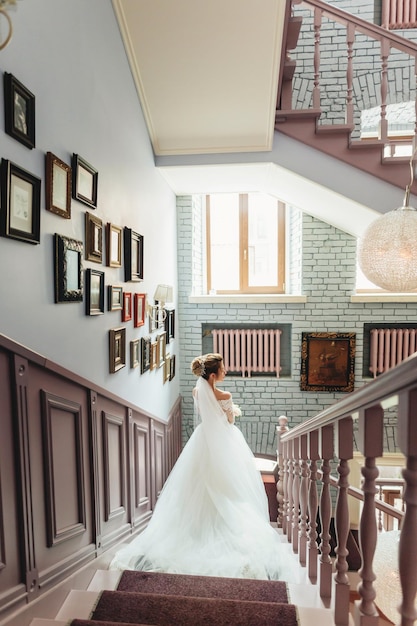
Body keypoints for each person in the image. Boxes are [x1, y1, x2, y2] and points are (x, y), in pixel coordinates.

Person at [110, 353, 297, 581]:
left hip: (202, 440)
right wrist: (231, 410)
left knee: (198, 484)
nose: (226, 371)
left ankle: (196, 529)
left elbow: (208, 413)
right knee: (228, 486)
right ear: (213, 374)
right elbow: (229, 421)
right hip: (225, 441)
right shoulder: (225, 394)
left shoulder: (197, 391)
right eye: (223, 368)